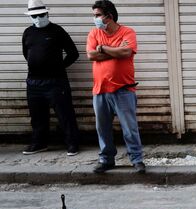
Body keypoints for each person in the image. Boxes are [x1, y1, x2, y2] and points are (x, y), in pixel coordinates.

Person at [87, 0, 145, 174]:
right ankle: (106, 159)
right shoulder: (94, 33)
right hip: (100, 90)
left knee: (129, 128)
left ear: (109, 16)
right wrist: (115, 51)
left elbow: (126, 52)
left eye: (97, 15)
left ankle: (137, 160)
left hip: (123, 89)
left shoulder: (127, 32)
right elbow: (91, 55)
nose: (95, 19)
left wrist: (103, 48)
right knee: (102, 128)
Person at [21, 0, 80, 156]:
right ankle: (39, 143)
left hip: (56, 82)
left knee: (64, 114)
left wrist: (59, 67)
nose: (38, 19)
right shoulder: (28, 32)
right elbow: (26, 53)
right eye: (34, 16)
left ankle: (72, 144)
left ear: (47, 14)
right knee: (37, 116)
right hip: (34, 82)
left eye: (41, 15)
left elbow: (73, 53)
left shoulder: (57, 31)